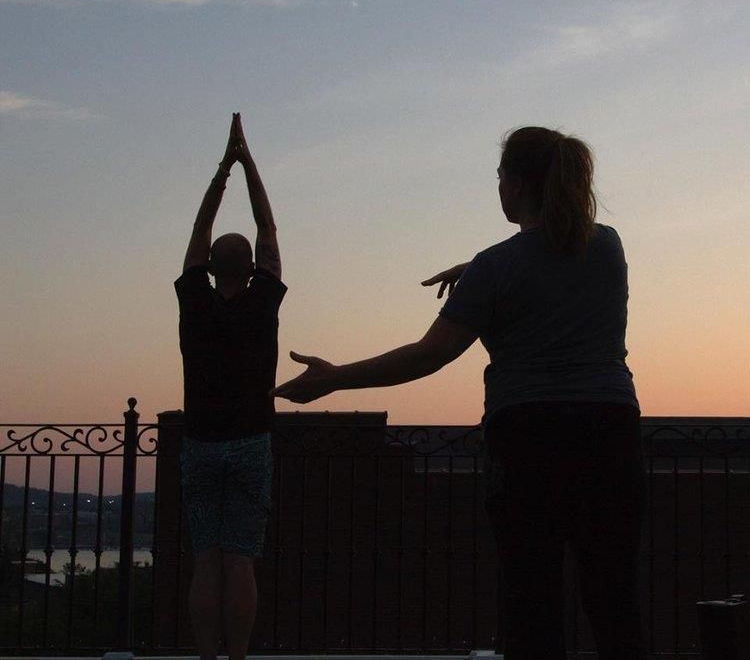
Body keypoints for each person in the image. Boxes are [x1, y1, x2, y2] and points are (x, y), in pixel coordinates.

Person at [272, 126, 646, 660]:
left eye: (499, 177)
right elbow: (550, 261)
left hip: (530, 439)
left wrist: (334, 377)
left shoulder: (496, 266)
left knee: (531, 601)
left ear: (516, 185)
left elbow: (430, 354)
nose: (496, 186)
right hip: (611, 432)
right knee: (614, 598)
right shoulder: (607, 245)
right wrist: (475, 272)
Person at [175, 113, 286, 660]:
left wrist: (222, 170)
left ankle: (206, 657)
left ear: (213, 266)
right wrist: (248, 165)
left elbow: (199, 232)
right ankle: (237, 658)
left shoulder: (193, 300)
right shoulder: (264, 301)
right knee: (241, 558)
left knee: (207, 558)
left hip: (199, 441)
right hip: (250, 442)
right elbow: (269, 232)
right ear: (250, 268)